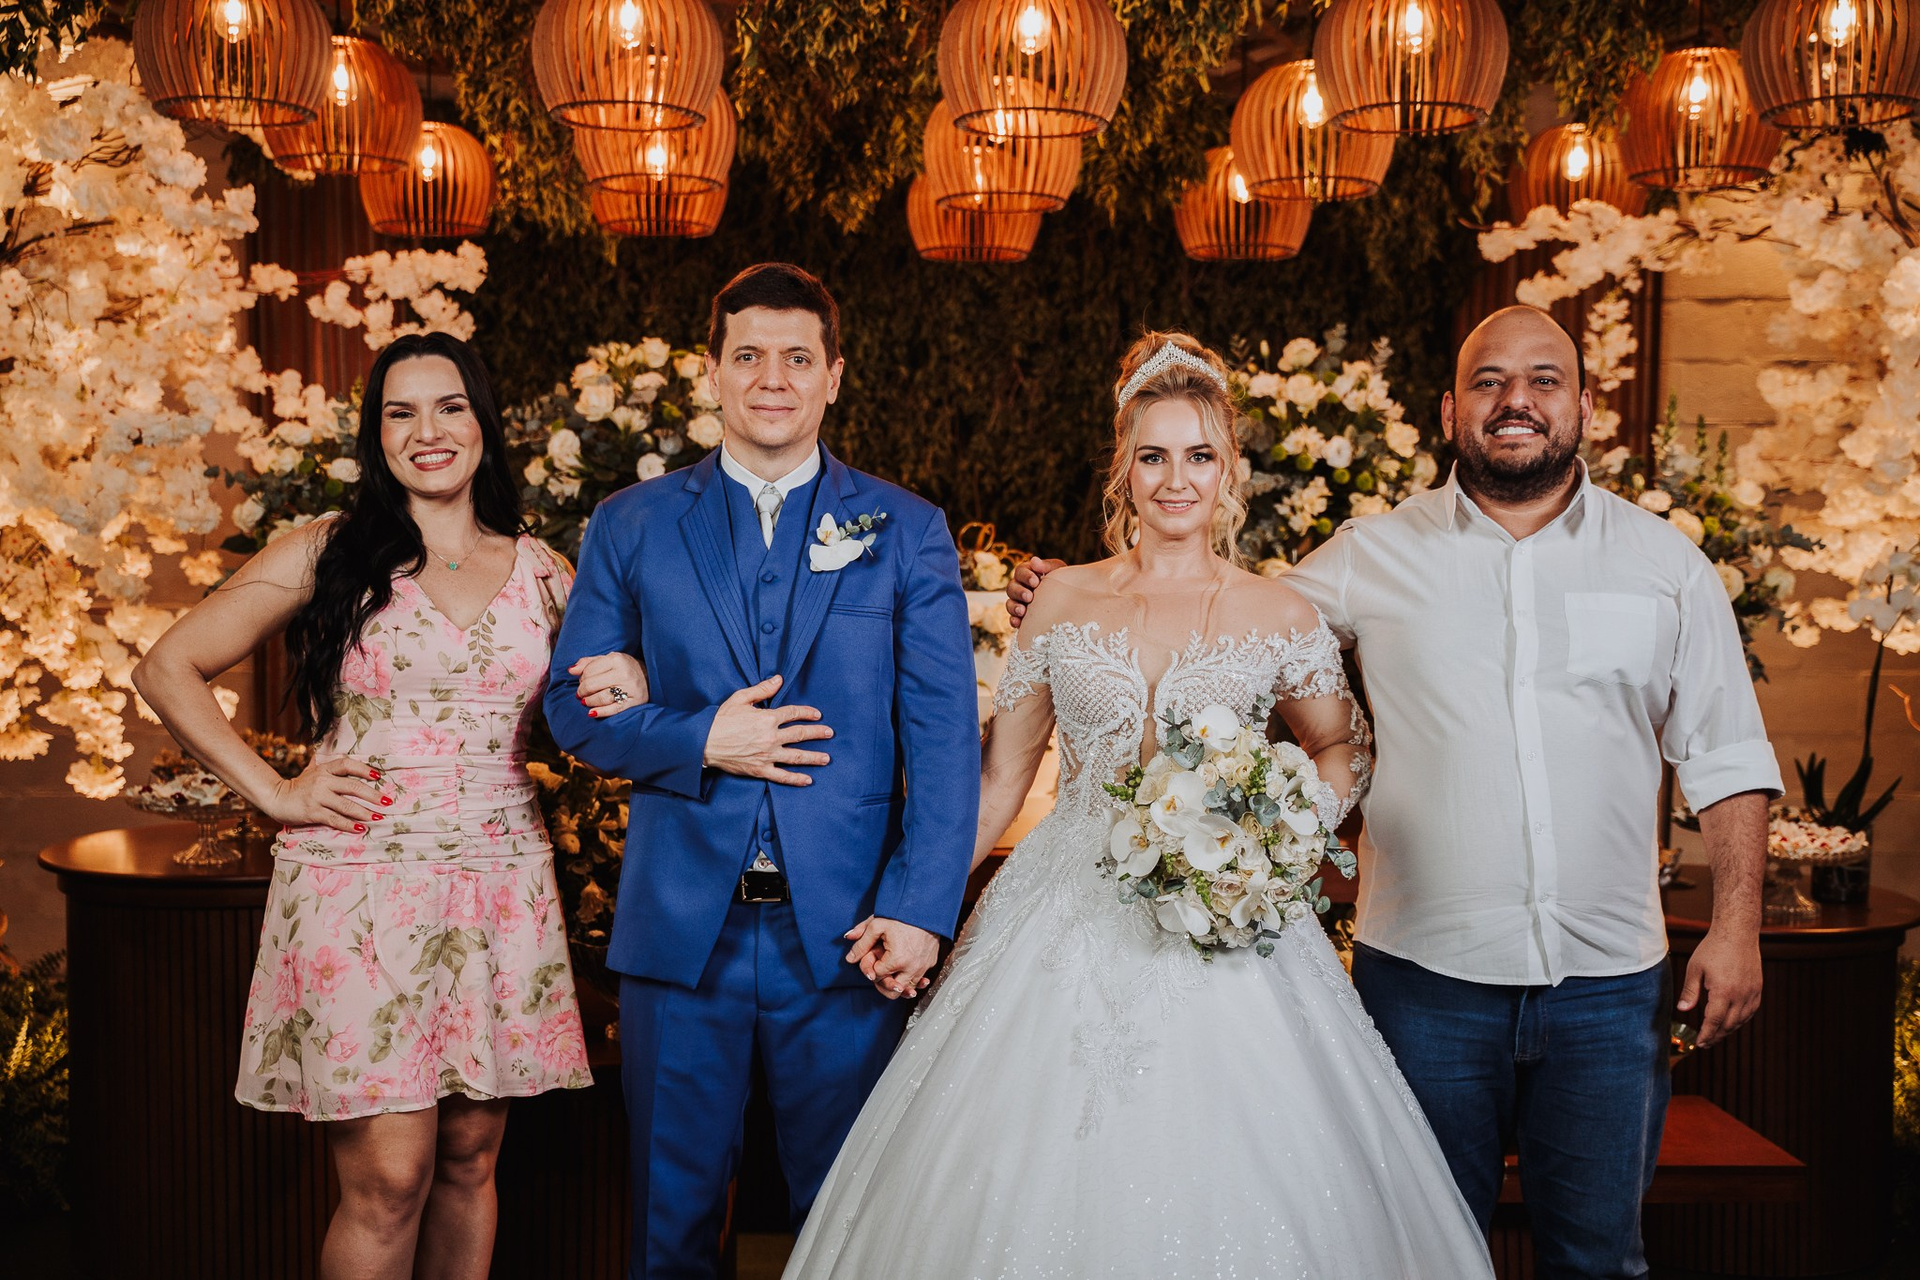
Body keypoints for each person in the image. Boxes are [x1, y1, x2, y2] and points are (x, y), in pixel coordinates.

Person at [1010, 306, 1779, 1280]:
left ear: (1586, 404)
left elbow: (1727, 755)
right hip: (1425, 984)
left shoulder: (1667, 567)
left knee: (1599, 1259)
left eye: (1544, 380)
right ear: (1451, 410)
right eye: (1490, 381)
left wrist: (1737, 925)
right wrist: (1065, 595)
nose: (1516, 400)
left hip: (1608, 986)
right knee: (1415, 1253)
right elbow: (1212, 614)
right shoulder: (1368, 554)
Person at [783, 332, 1494, 1278]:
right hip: (1064, 904)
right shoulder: (1058, 601)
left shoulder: (1280, 613)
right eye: (1153, 456)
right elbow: (999, 781)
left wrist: (1276, 836)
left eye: (1198, 455)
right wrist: (920, 905)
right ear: (1123, 468)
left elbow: (1343, 747)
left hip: (1229, 924)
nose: (1176, 479)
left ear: (1229, 468)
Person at [543, 262, 981, 1280]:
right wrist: (701, 738)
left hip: (848, 935)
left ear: (835, 375)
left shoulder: (906, 528)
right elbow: (570, 709)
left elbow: (943, 741)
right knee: (669, 1228)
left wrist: (921, 908)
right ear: (712, 372)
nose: (771, 378)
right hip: (679, 931)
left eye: (796, 357)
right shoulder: (632, 522)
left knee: (850, 1228)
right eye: (747, 356)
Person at [133, 332, 593, 1280]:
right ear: (376, 435)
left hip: (498, 880)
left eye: (450, 406)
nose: (428, 431)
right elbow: (168, 665)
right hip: (360, 880)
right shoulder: (326, 550)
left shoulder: (545, 570)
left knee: (469, 1160)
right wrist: (275, 792)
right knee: (389, 1176)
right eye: (400, 412)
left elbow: (609, 705)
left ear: (483, 422)